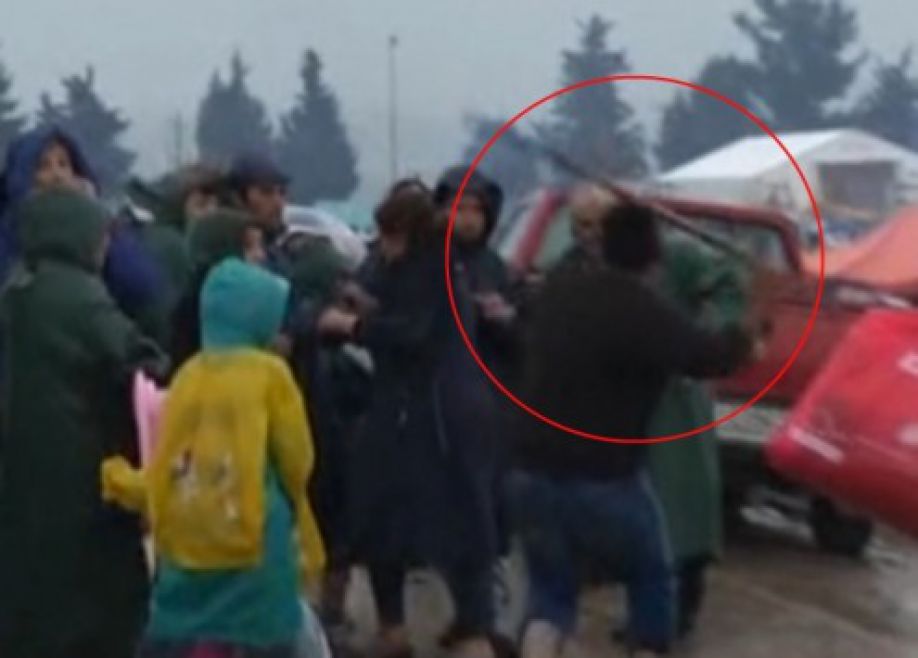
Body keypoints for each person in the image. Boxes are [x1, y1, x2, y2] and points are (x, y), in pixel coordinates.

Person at [509, 202, 751, 658]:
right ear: (654, 260)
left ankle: (537, 644)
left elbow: (523, 312)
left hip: (528, 471)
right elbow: (708, 357)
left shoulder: (559, 292)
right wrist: (749, 330)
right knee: (652, 576)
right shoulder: (644, 311)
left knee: (551, 592)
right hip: (603, 477)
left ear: (601, 247)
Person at [103, 257, 327, 658]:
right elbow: (297, 456)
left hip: (190, 529)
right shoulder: (271, 374)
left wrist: (126, 482)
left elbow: (167, 457)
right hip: (254, 534)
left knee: (181, 627)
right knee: (266, 633)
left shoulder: (188, 375)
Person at [317, 182, 502, 658]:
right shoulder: (420, 266)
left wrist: (356, 325)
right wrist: (364, 305)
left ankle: (464, 626)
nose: (385, 247)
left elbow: (417, 334)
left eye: (391, 237)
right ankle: (422, 627)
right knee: (400, 522)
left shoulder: (435, 270)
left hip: (434, 416)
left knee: (446, 522)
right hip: (416, 412)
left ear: (408, 233)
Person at [0, 188, 167, 658]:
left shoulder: (16, 291)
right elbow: (137, 359)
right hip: (82, 474)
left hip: (21, 475)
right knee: (94, 605)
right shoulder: (80, 297)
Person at [643, 230, 749, 641]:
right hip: (647, 408)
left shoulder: (676, 259)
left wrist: (720, 331)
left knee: (681, 513)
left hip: (679, 406)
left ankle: (678, 612)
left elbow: (727, 281)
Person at [0, 125, 164, 328]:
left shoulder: (96, 228)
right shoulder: (9, 232)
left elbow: (141, 286)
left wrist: (96, 216)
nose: (57, 175)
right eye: (43, 166)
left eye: (63, 164)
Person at [169, 209, 266, 371]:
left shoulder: (256, 301)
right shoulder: (195, 309)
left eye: (260, 246)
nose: (260, 256)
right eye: (249, 247)